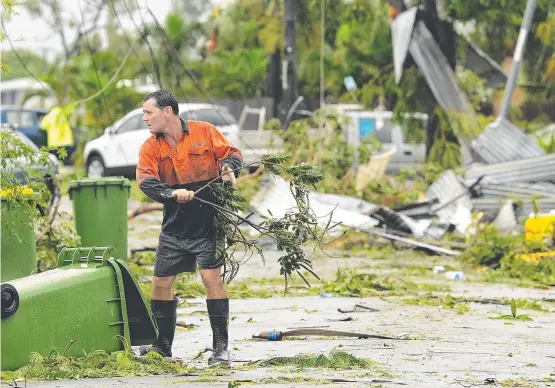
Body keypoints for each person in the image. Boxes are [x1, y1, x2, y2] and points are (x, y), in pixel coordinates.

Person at [136, 89, 242, 365]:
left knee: (211, 279)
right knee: (160, 283)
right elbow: (146, 181)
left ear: (167, 112)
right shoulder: (150, 147)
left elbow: (231, 154)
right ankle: (162, 346)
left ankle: (221, 348)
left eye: (149, 112)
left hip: (208, 222)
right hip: (174, 226)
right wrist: (172, 193)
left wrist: (229, 168)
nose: (145, 118)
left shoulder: (204, 131)